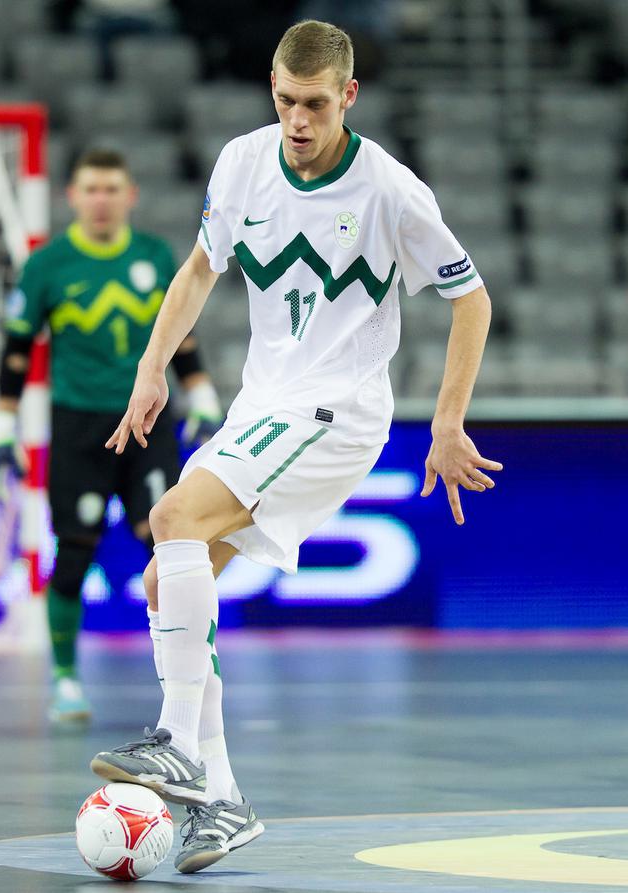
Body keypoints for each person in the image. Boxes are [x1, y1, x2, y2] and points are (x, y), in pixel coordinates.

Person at [91, 19, 503, 874]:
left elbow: (472, 300)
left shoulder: (390, 190)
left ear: (348, 96)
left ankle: (176, 742)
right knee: (168, 573)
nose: (298, 121)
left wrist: (449, 418)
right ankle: (224, 801)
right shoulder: (244, 163)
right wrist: (151, 368)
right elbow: (202, 267)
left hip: (337, 412)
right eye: (285, 101)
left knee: (172, 513)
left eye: (315, 104)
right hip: (264, 407)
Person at [0, 148, 222, 723]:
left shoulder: (152, 254)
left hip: (147, 418)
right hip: (79, 426)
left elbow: (180, 334)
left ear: (129, 195)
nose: (101, 199)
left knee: (172, 546)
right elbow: (17, 354)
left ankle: (190, 677)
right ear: (72, 195)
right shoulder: (47, 265)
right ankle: (65, 677)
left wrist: (203, 391)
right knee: (74, 550)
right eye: (90, 188)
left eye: (111, 188)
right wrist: (2, 425)